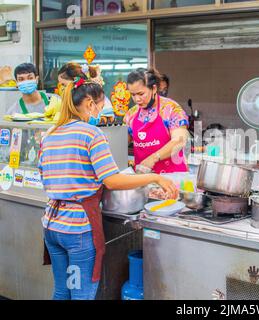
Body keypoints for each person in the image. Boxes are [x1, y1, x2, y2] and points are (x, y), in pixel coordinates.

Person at [38, 75, 178, 300]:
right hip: (78, 229)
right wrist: (155, 178)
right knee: (81, 295)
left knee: (62, 291)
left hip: (52, 225)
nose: (100, 114)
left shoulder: (50, 134)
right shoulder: (91, 134)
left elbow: (44, 176)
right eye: (101, 107)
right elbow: (111, 180)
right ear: (90, 104)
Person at [125, 68, 189, 173]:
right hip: (144, 180)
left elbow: (179, 141)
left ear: (154, 89)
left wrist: (154, 158)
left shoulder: (171, 109)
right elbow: (121, 143)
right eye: (133, 95)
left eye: (141, 94)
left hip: (172, 179)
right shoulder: (131, 114)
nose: (137, 99)